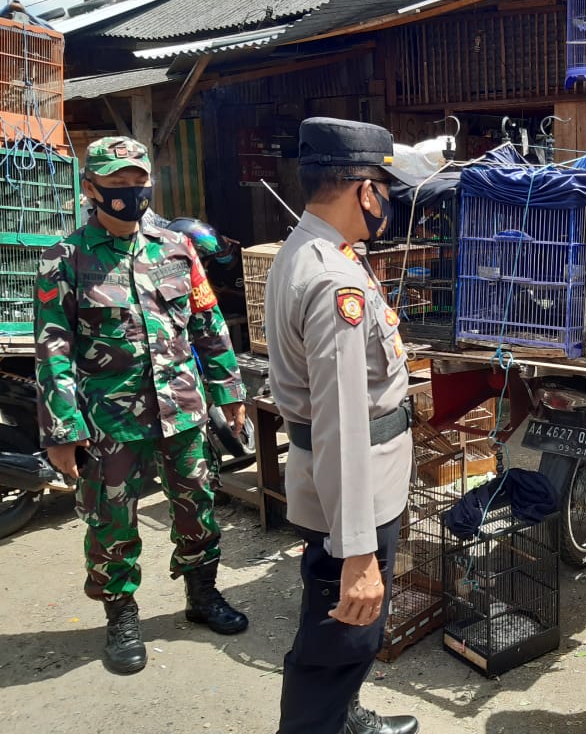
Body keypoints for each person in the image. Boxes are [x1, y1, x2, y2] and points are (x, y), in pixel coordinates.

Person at [34, 136, 249, 676]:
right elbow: (53, 350)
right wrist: (62, 429)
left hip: (182, 411)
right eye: (117, 184)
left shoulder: (176, 248)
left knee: (197, 509)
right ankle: (120, 615)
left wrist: (229, 392)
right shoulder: (66, 258)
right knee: (111, 524)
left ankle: (202, 597)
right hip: (110, 421)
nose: (131, 193)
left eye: (138, 182)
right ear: (92, 189)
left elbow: (208, 323)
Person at [264, 118, 419, 734]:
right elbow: (342, 422)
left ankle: (344, 717)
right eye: (384, 185)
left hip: (345, 485)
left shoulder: (309, 251)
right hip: (353, 493)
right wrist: (356, 550)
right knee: (340, 635)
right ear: (363, 190)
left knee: (348, 631)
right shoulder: (334, 280)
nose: (387, 200)